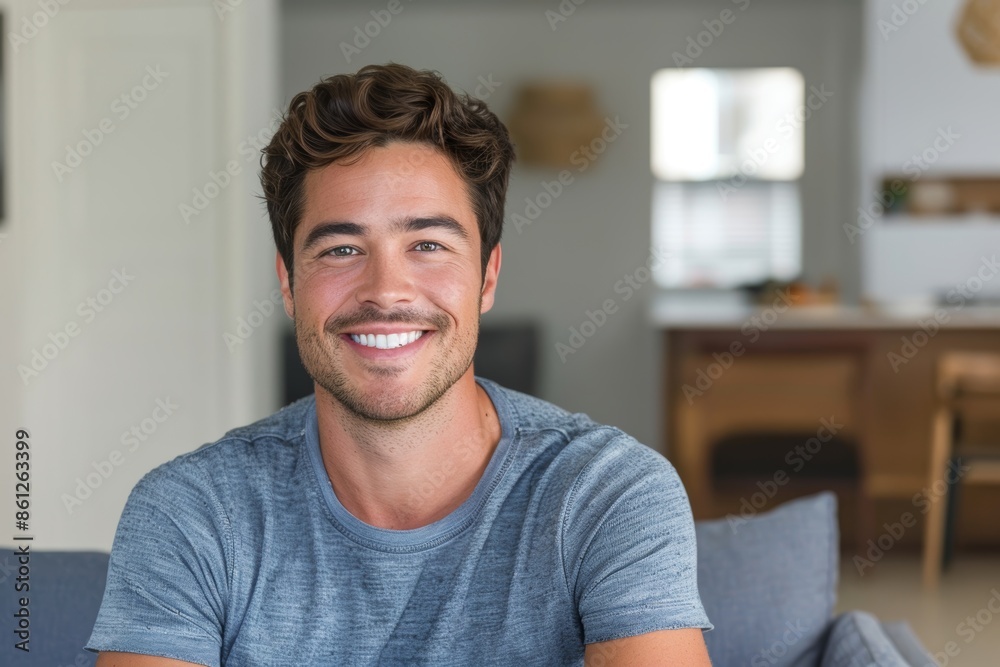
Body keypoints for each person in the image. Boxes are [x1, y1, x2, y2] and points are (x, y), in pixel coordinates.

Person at [87, 63, 713, 666]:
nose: (386, 291)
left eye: (428, 245)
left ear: (487, 276)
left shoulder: (607, 492)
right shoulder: (193, 511)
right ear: (288, 283)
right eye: (340, 249)